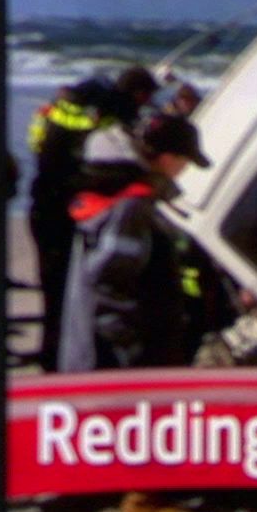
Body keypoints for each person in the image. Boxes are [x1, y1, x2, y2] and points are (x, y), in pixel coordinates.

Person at [27, 65, 158, 369]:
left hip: (42, 203)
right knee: (72, 292)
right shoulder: (110, 113)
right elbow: (111, 161)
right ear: (137, 93)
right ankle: (61, 360)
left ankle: (49, 355)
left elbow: (37, 146)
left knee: (51, 287)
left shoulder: (54, 110)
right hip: (70, 209)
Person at [57, 113, 211, 372]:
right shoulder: (132, 208)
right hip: (114, 369)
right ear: (167, 159)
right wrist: (133, 354)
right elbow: (108, 284)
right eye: (185, 162)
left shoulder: (116, 194)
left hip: (90, 357)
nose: (183, 171)